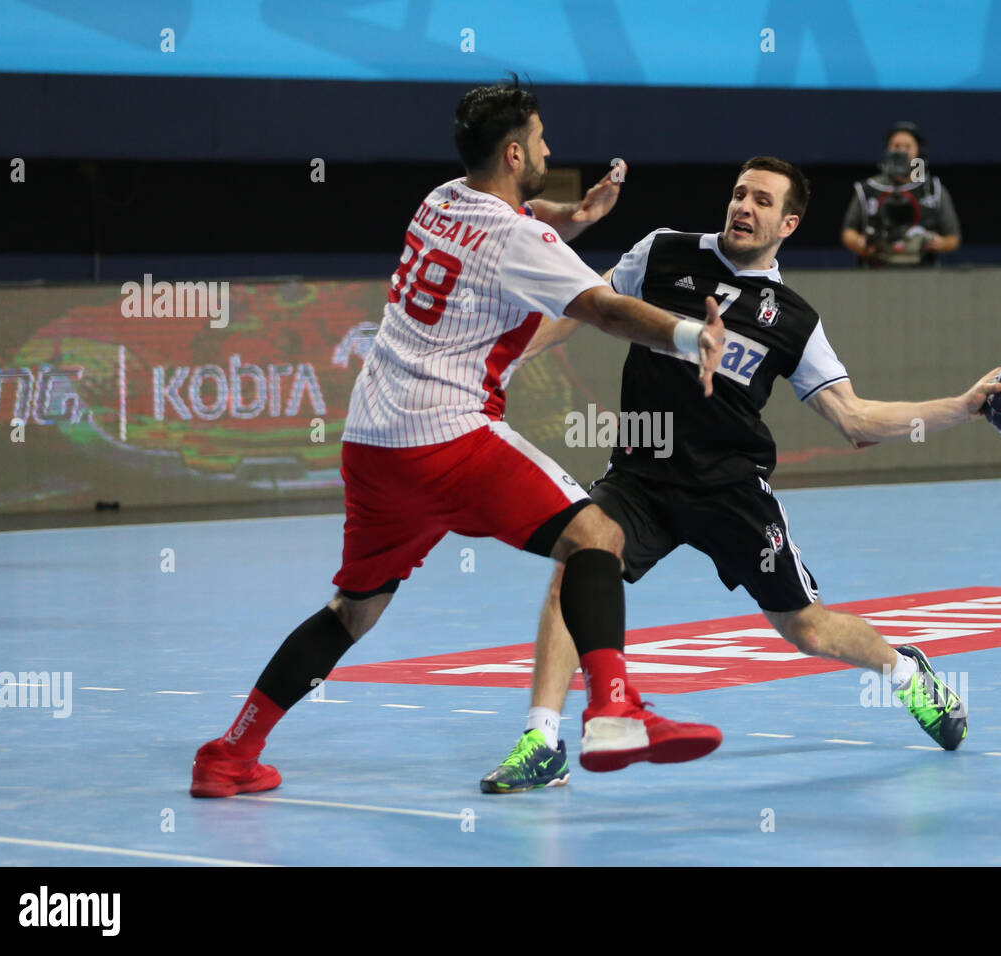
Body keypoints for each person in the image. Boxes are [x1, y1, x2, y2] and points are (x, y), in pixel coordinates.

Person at [189, 77, 728, 798]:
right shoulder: (518, 237)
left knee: (354, 608)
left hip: (373, 442)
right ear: (513, 152)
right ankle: (613, 708)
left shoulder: (439, 200)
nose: (548, 146)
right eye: (539, 139)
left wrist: (571, 216)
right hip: (446, 436)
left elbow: (520, 228)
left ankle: (230, 753)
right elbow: (602, 309)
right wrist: (690, 333)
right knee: (597, 538)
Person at [480, 156, 1001, 794]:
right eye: (738, 194)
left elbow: (856, 419)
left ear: (789, 221)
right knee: (576, 567)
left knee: (805, 627)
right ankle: (543, 739)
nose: (743, 207)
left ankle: (904, 671)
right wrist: (497, 362)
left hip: (730, 489)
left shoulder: (794, 320)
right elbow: (580, 308)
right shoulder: (663, 251)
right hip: (640, 478)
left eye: (761, 200)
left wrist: (964, 406)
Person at [840, 122, 961, 267]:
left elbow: (953, 238)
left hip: (923, 271)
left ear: (918, 152)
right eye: (896, 146)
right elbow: (848, 232)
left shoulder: (934, 190)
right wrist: (860, 243)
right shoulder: (867, 189)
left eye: (908, 147)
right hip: (876, 270)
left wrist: (938, 243)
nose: (901, 151)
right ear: (887, 150)